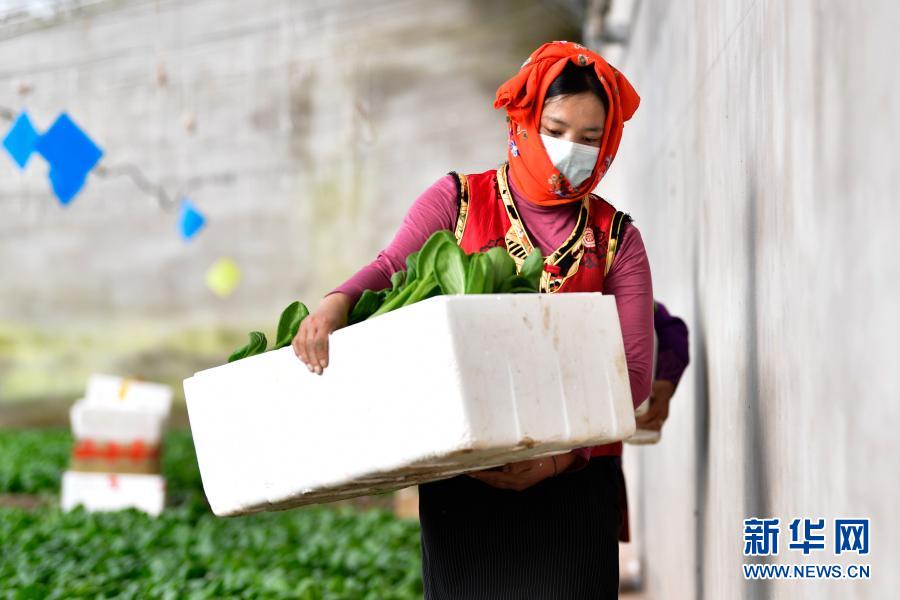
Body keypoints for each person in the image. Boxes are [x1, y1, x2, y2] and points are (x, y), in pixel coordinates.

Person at [293, 41, 652, 599]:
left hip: (575, 482)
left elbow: (632, 376)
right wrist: (336, 303)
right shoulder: (457, 202)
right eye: (555, 130)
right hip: (465, 470)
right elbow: (390, 268)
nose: (570, 151)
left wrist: (557, 459)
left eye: (589, 139)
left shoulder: (617, 240)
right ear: (523, 121)